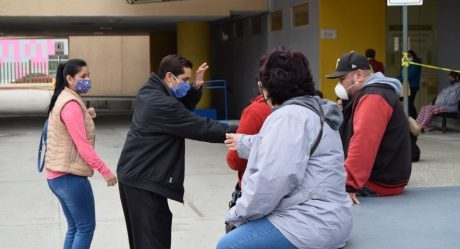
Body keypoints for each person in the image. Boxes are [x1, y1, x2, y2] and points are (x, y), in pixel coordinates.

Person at [218, 47, 352, 249]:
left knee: (229, 245)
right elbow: (288, 148)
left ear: (267, 86)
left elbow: (270, 183)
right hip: (329, 216)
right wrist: (245, 142)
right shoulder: (314, 109)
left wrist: (235, 214)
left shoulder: (288, 117)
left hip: (310, 223)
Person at [116, 54, 237, 249]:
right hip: (143, 180)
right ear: (170, 77)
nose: (187, 85)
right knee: (153, 241)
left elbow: (180, 109)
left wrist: (196, 88)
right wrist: (242, 131)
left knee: (149, 238)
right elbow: (199, 126)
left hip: (138, 175)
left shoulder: (150, 91)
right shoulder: (160, 103)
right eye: (185, 80)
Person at [45, 59, 118, 249]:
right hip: (69, 177)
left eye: (89, 75)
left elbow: (66, 125)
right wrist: (105, 171)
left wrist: (86, 114)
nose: (88, 79)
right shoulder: (71, 104)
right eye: (83, 76)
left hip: (56, 175)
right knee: (85, 228)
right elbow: (83, 146)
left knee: (75, 228)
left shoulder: (63, 97)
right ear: (69, 78)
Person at [327, 51, 412, 204]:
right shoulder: (374, 93)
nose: (339, 86)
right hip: (382, 178)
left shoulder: (374, 97)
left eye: (342, 79)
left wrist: (348, 185)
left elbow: (363, 142)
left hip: (377, 183)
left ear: (358, 75)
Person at [399, 50, 422, 119]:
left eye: (409, 56)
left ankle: (415, 119)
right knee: (405, 103)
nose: (408, 57)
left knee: (409, 104)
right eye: (406, 56)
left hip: (412, 86)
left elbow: (408, 75)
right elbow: (402, 74)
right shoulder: (406, 63)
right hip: (405, 86)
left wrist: (399, 80)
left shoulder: (416, 64)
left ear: (413, 56)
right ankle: (409, 118)